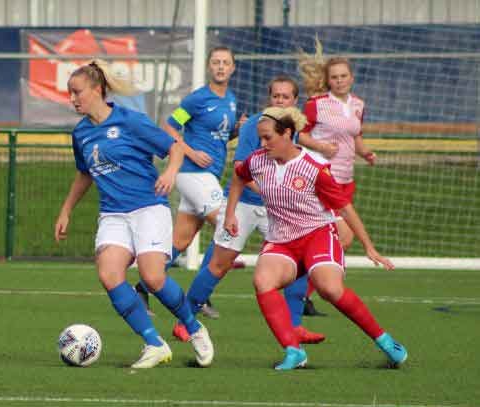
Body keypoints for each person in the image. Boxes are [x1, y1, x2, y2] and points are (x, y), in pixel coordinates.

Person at [55, 60, 214, 369]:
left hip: (148, 208)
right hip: (113, 214)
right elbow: (84, 174)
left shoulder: (130, 121)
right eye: (69, 93)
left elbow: (176, 148)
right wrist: (66, 211)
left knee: (152, 277)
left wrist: (170, 172)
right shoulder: (82, 133)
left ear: (97, 90)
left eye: (77, 92)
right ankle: (154, 344)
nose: (73, 99)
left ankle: (193, 328)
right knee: (109, 274)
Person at [224, 105, 407, 370]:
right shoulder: (258, 160)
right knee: (262, 281)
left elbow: (344, 207)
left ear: (287, 133)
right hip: (282, 240)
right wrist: (231, 214)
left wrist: (369, 247)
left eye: (268, 138)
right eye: (260, 138)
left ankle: (386, 341)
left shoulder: (315, 167)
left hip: (317, 235)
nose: (262, 144)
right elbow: (239, 178)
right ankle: (293, 351)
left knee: (329, 288)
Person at [172, 76, 325, 345]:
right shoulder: (254, 125)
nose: (280, 100)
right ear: (269, 98)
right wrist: (235, 210)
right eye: (275, 96)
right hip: (244, 205)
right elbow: (241, 170)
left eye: (285, 97)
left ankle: (295, 326)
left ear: (294, 101)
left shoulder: (292, 129)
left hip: (275, 211)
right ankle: (185, 322)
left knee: (302, 265)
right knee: (219, 265)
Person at [135, 46, 245, 318]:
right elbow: (171, 127)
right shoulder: (198, 99)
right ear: (210, 67)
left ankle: (142, 289)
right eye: (216, 62)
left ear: (233, 68)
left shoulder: (230, 100)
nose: (220, 66)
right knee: (227, 223)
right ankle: (201, 295)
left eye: (225, 62)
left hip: (208, 176)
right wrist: (191, 151)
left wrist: (236, 131)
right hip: (191, 173)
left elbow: (221, 136)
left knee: (180, 241)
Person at [296, 38, 377, 315]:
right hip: (322, 178)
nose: (340, 81)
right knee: (343, 236)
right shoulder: (316, 104)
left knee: (336, 237)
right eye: (335, 77)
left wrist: (366, 153)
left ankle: (302, 291)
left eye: (344, 76)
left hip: (346, 179)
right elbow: (300, 134)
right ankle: (307, 289)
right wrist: (319, 146)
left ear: (351, 78)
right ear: (328, 81)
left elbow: (356, 135)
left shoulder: (358, 104)